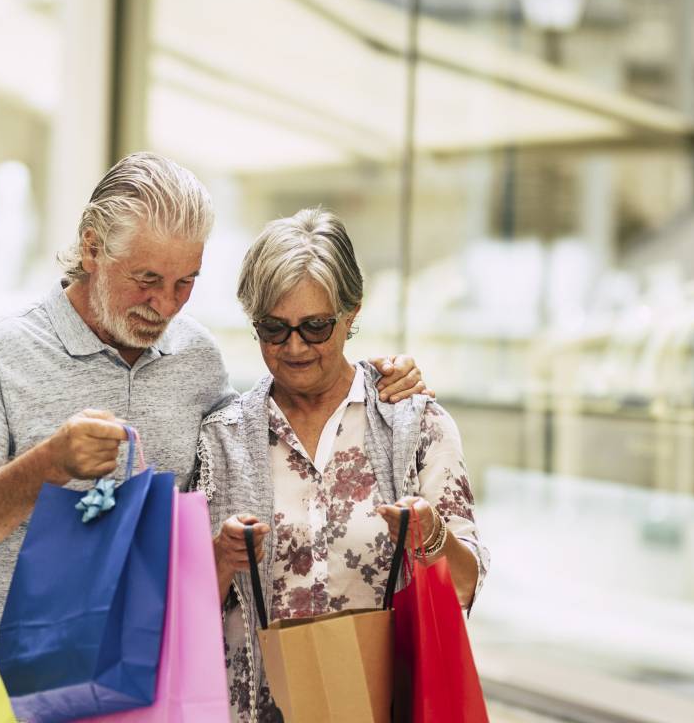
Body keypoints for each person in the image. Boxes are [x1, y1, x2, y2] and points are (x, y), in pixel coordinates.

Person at [0, 153, 429, 645]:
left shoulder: (197, 356)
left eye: (184, 282)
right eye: (146, 280)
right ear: (92, 249)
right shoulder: (0, 353)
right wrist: (47, 467)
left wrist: (375, 379)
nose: (164, 304)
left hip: (149, 678)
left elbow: (266, 432)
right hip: (4, 682)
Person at [199, 209, 488, 722]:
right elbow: (184, 609)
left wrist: (433, 536)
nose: (294, 347)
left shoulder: (417, 427)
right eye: (273, 328)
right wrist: (221, 559)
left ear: (352, 313)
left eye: (315, 326)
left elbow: (464, 587)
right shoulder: (220, 438)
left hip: (385, 707)